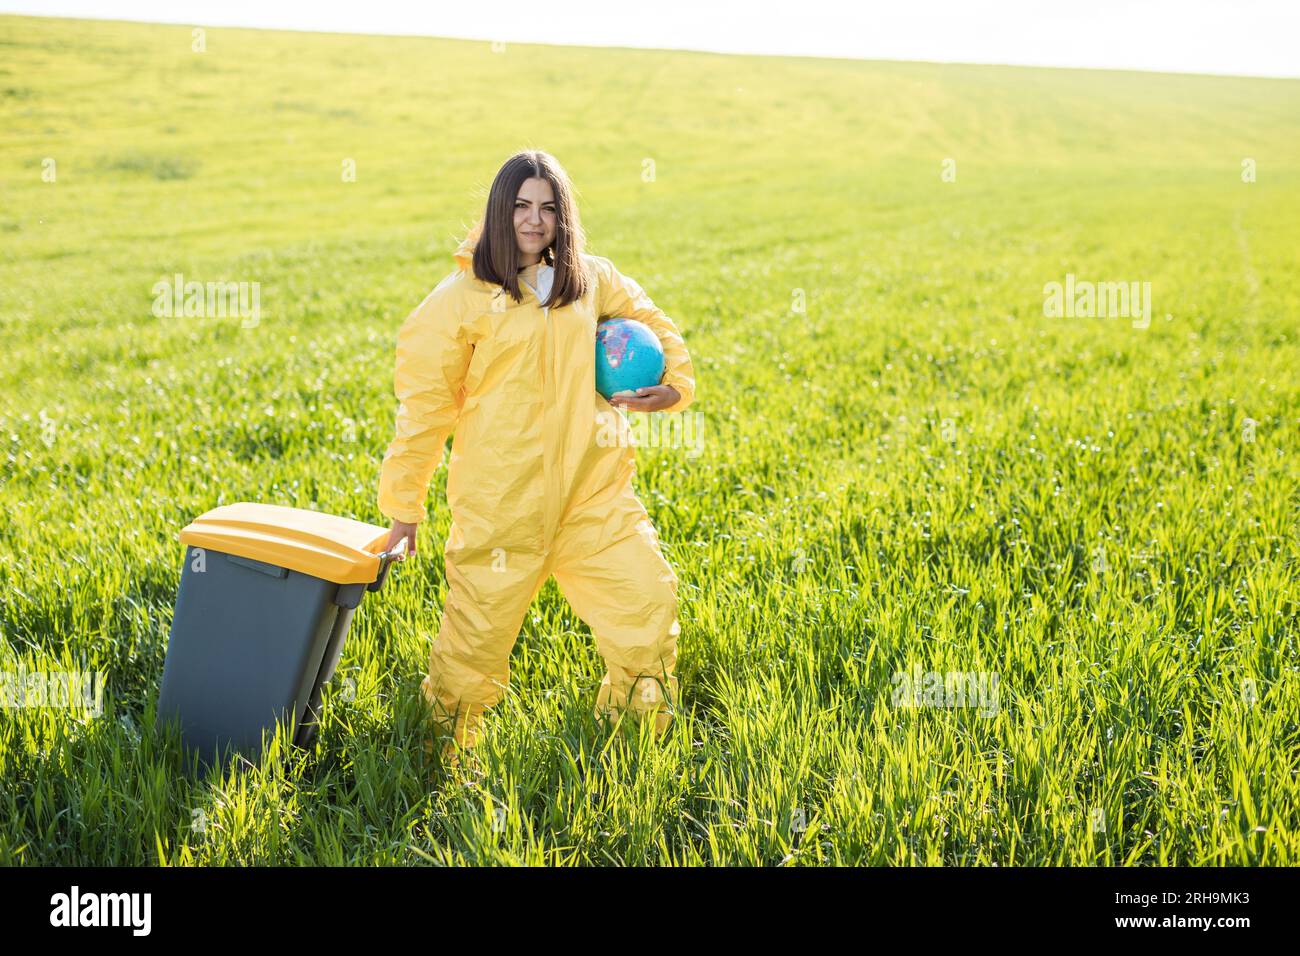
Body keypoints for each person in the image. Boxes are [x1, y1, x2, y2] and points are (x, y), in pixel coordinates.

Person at [377, 149, 697, 764]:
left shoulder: (590, 281)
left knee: (647, 607)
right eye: (521, 206)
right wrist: (403, 509)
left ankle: (631, 743)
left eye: (548, 208)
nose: (533, 220)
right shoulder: (459, 300)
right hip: (503, 509)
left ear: (563, 217)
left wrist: (675, 385)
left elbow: (655, 322)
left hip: (593, 499)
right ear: (501, 210)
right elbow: (424, 410)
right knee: (473, 651)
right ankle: (434, 758)